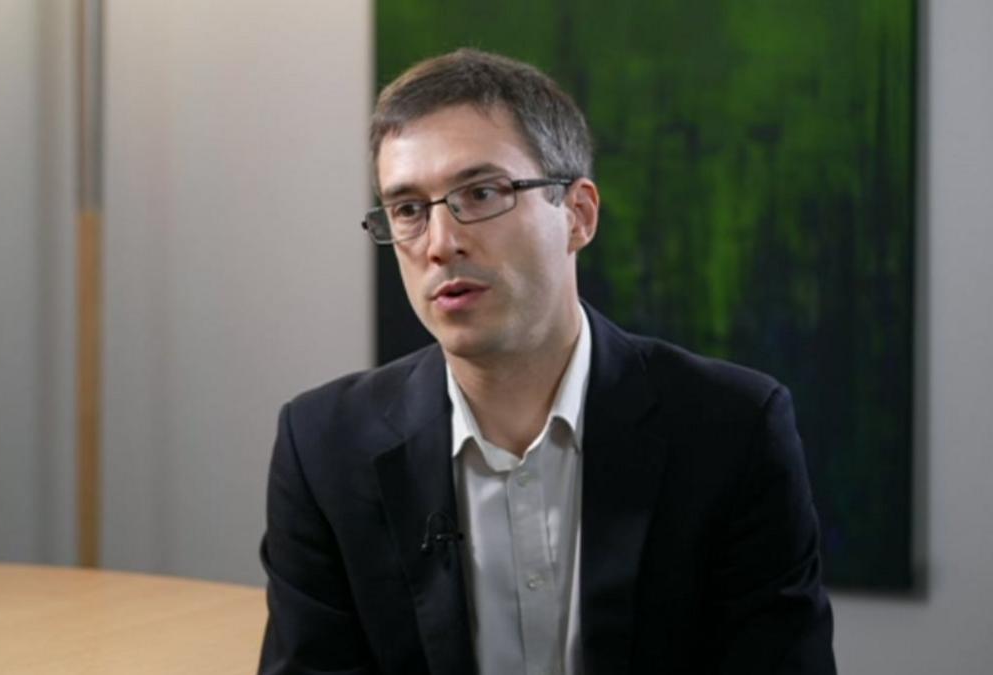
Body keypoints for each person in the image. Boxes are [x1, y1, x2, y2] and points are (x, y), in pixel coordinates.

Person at [258, 48, 835, 675]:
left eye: (480, 193)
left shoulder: (734, 430)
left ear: (578, 215)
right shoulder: (323, 448)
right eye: (408, 210)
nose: (441, 243)